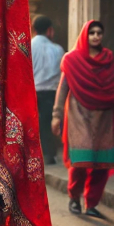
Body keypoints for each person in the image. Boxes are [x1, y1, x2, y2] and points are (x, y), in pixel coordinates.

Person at [51, 20, 114, 217]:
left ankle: (91, 204)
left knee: (101, 163)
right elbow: (63, 89)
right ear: (85, 35)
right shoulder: (72, 60)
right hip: (79, 115)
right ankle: (74, 198)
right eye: (91, 33)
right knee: (80, 162)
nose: (95, 36)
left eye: (99, 33)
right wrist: (56, 115)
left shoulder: (108, 58)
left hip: (104, 116)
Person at [30, 16, 65, 164]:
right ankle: (49, 154)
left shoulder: (28, 47)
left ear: (33, 29)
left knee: (32, 124)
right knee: (48, 123)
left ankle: (35, 156)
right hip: (52, 92)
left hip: (32, 91)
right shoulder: (58, 50)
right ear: (49, 30)